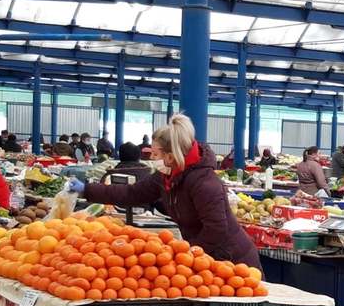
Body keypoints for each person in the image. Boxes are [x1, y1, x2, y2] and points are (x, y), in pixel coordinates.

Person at [69, 114, 261, 268]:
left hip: (234, 261)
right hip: (206, 259)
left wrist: (187, 255)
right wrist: (86, 189)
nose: (152, 158)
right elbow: (132, 193)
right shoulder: (167, 175)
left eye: (155, 153)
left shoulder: (204, 183)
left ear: (170, 156)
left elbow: (216, 229)